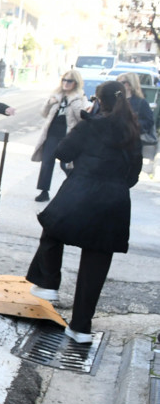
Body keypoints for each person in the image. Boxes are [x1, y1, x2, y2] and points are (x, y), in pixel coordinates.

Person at [26, 80, 142, 342]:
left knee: (52, 228)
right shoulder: (132, 130)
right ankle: (80, 328)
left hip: (82, 191)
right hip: (115, 202)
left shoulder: (91, 125)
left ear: (99, 100)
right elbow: (133, 176)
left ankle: (48, 283)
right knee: (96, 264)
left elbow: (62, 150)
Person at [32, 70, 88, 202]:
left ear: (75, 83)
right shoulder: (56, 95)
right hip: (52, 133)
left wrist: (73, 102)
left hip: (68, 135)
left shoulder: (79, 97)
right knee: (47, 162)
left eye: (69, 81)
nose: (66, 83)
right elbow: (43, 113)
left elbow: (82, 117)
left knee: (66, 165)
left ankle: (75, 190)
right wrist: (49, 102)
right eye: (64, 80)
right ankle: (44, 191)